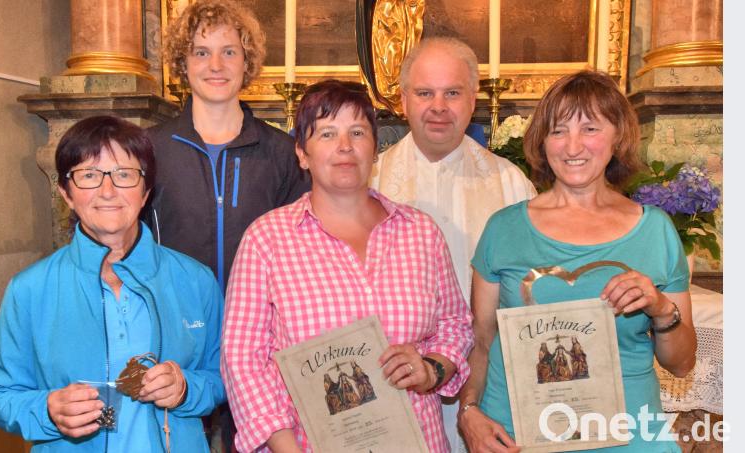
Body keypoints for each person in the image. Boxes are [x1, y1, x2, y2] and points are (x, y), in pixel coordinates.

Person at [221, 80, 474, 452]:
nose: (344, 146)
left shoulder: (420, 232)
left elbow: (455, 325)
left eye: (357, 132)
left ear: (374, 148)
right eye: (327, 133)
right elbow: (243, 359)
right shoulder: (268, 239)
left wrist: (431, 368)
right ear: (302, 154)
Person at [457, 70, 696, 452]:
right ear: (542, 141)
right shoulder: (504, 229)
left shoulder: (655, 231)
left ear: (617, 135)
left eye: (589, 128)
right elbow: (482, 342)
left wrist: (661, 308)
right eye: (558, 130)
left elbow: (681, 365)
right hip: (519, 435)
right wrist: (468, 410)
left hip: (626, 435)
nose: (572, 146)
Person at [0, 116, 226, 452]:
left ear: (146, 191)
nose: (108, 191)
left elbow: (223, 377)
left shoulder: (195, 280)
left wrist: (186, 389)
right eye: (89, 175)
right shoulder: (30, 290)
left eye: (124, 174)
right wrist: (47, 410)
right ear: (66, 194)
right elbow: (0, 397)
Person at [369, 36, 536, 450]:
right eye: (425, 93)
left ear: (473, 99)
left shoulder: (510, 184)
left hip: (493, 386)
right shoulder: (368, 183)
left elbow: (536, 293)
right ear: (403, 100)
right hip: (397, 388)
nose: (438, 106)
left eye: (453, 93)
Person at [144, 0, 310, 292]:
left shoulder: (283, 152)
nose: (216, 66)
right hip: (178, 324)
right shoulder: (150, 149)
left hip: (259, 323)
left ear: (247, 62)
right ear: (183, 63)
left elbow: (304, 250)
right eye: (201, 52)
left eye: (229, 52)